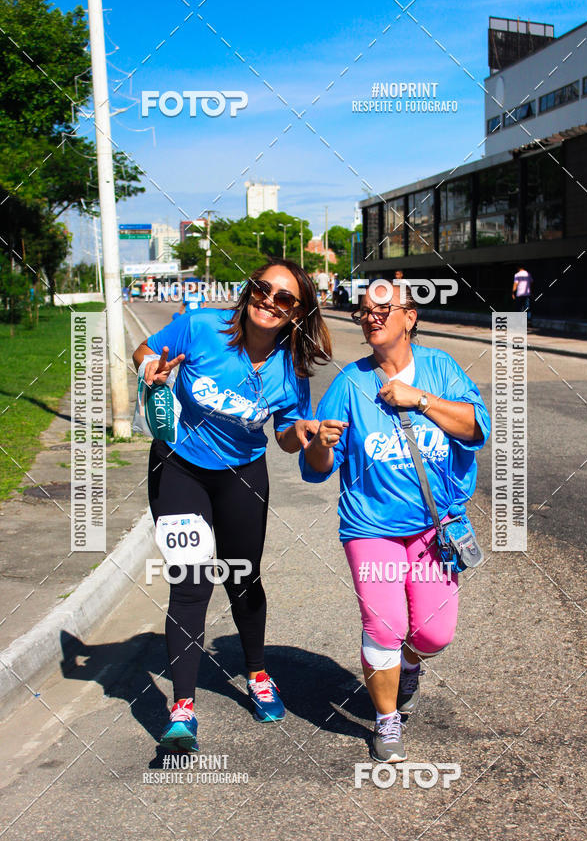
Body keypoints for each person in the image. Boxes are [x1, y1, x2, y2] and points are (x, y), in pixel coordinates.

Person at [133, 258, 332, 751]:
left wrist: (303, 433)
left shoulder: (291, 368)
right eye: (262, 288)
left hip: (242, 475)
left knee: (243, 578)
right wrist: (150, 368)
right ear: (249, 291)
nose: (269, 301)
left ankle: (258, 673)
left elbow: (284, 437)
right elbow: (147, 349)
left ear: (296, 313)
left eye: (284, 298)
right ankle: (182, 711)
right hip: (178, 466)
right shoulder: (202, 327)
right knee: (191, 581)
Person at [300, 279, 490, 763]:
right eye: (365, 311)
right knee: (385, 625)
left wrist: (419, 399)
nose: (372, 317)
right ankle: (386, 719)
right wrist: (321, 443)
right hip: (370, 526)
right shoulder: (350, 383)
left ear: (410, 317)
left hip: (434, 526)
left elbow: (477, 428)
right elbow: (316, 469)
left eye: (383, 309)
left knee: (433, 634)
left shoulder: (441, 369)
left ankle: (409, 665)